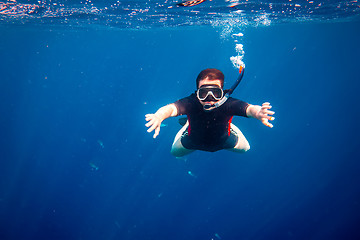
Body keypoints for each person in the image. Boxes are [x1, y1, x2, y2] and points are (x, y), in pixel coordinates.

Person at [145, 68, 275, 157]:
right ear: (197, 93)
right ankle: (187, 125)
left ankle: (230, 127)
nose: (209, 99)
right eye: (204, 93)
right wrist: (159, 116)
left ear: (222, 92)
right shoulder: (191, 102)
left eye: (215, 93)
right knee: (174, 153)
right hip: (193, 141)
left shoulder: (228, 103)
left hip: (225, 141)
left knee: (246, 149)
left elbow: (250, 109)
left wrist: (258, 113)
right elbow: (172, 108)